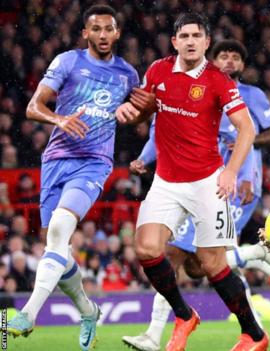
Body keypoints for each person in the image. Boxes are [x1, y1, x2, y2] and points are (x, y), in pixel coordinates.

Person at [121, 39, 270, 351]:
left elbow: (265, 134)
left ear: (242, 65)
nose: (228, 61)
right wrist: (145, 158)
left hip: (233, 185)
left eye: (235, 57)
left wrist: (243, 171)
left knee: (190, 258)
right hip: (192, 182)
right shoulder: (194, 87)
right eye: (223, 56)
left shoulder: (251, 95)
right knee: (201, 265)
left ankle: (159, 334)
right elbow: (161, 127)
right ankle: (258, 275)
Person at [6, 5, 139, 351]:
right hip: (56, 160)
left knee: (61, 229)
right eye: (96, 29)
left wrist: (134, 113)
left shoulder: (128, 75)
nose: (103, 35)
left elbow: (142, 112)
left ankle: (28, 314)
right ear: (86, 33)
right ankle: (88, 310)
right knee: (56, 247)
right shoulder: (68, 61)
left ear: (117, 33)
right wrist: (60, 120)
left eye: (109, 29)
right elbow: (33, 107)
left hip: (94, 162)